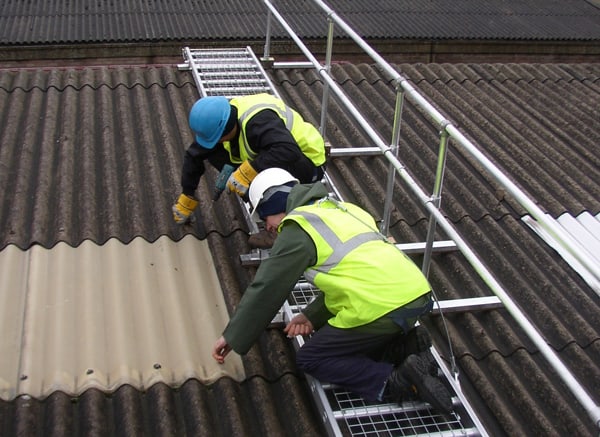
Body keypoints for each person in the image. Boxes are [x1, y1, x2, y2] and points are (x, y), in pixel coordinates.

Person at [211, 168, 453, 414]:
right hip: (415, 293)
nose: (269, 228)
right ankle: (406, 346)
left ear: (273, 204)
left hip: (381, 306)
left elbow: (267, 287)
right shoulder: (343, 209)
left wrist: (233, 337)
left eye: (265, 220)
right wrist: (310, 316)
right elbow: (354, 279)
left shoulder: (298, 228)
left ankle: (394, 381)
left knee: (312, 358)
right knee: (347, 340)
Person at [171, 93, 327, 230]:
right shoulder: (220, 117)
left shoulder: (258, 122)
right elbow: (194, 155)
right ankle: (257, 195)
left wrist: (248, 172)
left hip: (307, 161)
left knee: (258, 176)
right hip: (273, 152)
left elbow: (287, 151)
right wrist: (187, 194)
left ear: (225, 130)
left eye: (217, 138)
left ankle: (278, 223)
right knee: (211, 150)